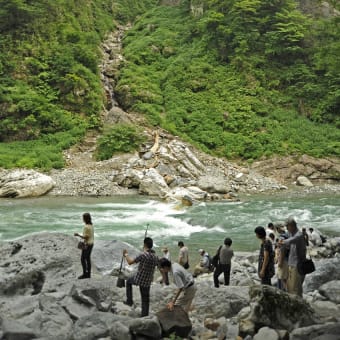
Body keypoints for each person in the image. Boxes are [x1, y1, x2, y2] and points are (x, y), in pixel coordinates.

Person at [122, 237, 158, 317]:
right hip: (148, 281)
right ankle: (144, 315)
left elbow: (130, 262)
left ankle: (129, 301)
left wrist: (126, 255)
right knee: (145, 298)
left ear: (145, 244)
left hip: (139, 279)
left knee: (128, 282)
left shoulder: (143, 255)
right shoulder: (155, 257)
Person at [279, 217, 307, 297]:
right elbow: (287, 238)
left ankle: (299, 305)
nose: (286, 228)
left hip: (297, 265)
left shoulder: (298, 234)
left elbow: (291, 240)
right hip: (292, 263)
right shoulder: (291, 233)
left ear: (291, 225)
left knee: (295, 287)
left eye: (287, 226)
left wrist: (282, 242)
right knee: (291, 286)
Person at [74, 212, 94, 279]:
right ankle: (88, 274)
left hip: (87, 245)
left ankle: (85, 274)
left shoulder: (86, 227)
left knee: (83, 259)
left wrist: (78, 235)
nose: (82, 219)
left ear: (85, 219)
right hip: (91, 244)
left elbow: (86, 237)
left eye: (83, 218)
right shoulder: (91, 225)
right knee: (88, 259)